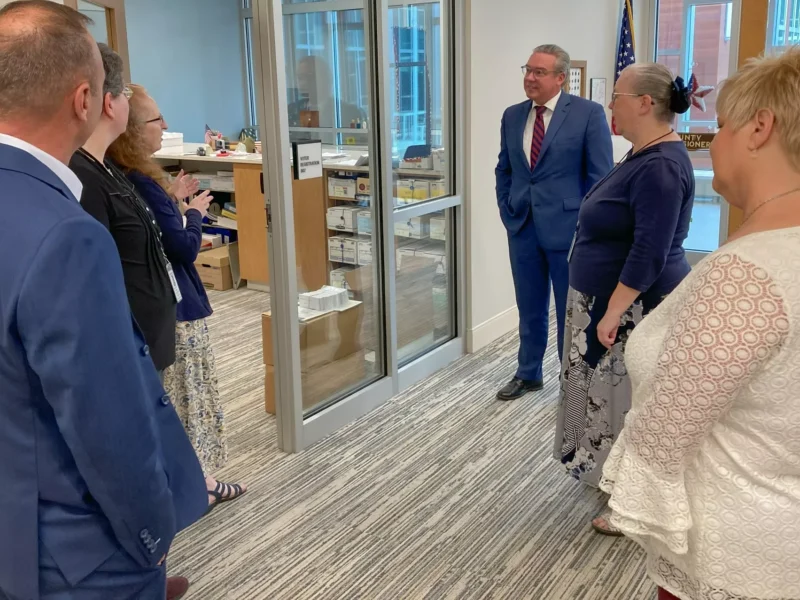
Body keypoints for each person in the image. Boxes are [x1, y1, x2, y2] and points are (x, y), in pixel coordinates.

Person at [0, 3, 206, 600]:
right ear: (83, 99)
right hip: (73, 556)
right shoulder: (65, 233)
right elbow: (107, 423)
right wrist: (149, 540)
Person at [601, 48, 800, 600]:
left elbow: (664, 437)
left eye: (723, 128)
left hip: (736, 555)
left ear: (761, 128)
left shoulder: (746, 276)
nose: (714, 143)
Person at [552, 63, 695, 535]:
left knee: (625, 405)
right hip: (605, 302)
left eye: (616, 95)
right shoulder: (641, 154)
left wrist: (612, 311)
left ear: (645, 103)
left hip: (629, 308)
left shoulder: (661, 167)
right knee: (601, 397)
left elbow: (649, 251)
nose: (610, 103)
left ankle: (629, 501)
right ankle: (608, 476)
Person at [108, 85, 248, 510]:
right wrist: (193, 215)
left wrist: (174, 201)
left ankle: (190, 480)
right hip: (178, 309)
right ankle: (199, 482)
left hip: (167, 306)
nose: (165, 126)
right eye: (156, 120)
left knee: (184, 399)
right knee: (191, 401)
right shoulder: (135, 181)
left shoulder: (130, 177)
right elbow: (183, 248)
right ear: (132, 130)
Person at [495, 44, 613, 401]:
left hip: (568, 230)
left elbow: (600, 178)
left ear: (561, 77)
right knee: (529, 305)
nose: (530, 78)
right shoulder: (513, 115)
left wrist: (588, 228)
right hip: (522, 226)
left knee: (569, 310)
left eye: (539, 72)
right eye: (527, 70)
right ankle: (528, 372)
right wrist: (506, 207)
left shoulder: (588, 114)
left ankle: (572, 383)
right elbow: (505, 168)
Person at [70, 52, 179, 376]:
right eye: (124, 96)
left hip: (148, 343)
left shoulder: (107, 169)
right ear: (109, 103)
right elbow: (95, 282)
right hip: (128, 354)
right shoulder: (83, 179)